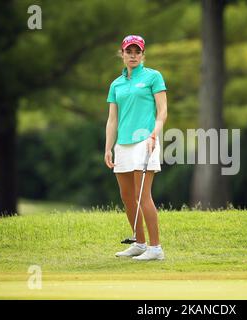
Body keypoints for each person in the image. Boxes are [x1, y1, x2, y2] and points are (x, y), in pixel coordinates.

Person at [105, 35, 168, 261]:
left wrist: (154, 134)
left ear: (143, 54)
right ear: (122, 54)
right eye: (128, 51)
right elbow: (112, 119)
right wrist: (108, 148)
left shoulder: (153, 77)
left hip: (145, 140)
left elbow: (162, 111)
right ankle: (139, 244)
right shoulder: (116, 84)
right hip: (122, 144)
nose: (132, 55)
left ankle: (156, 248)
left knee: (143, 196)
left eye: (136, 51)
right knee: (127, 197)